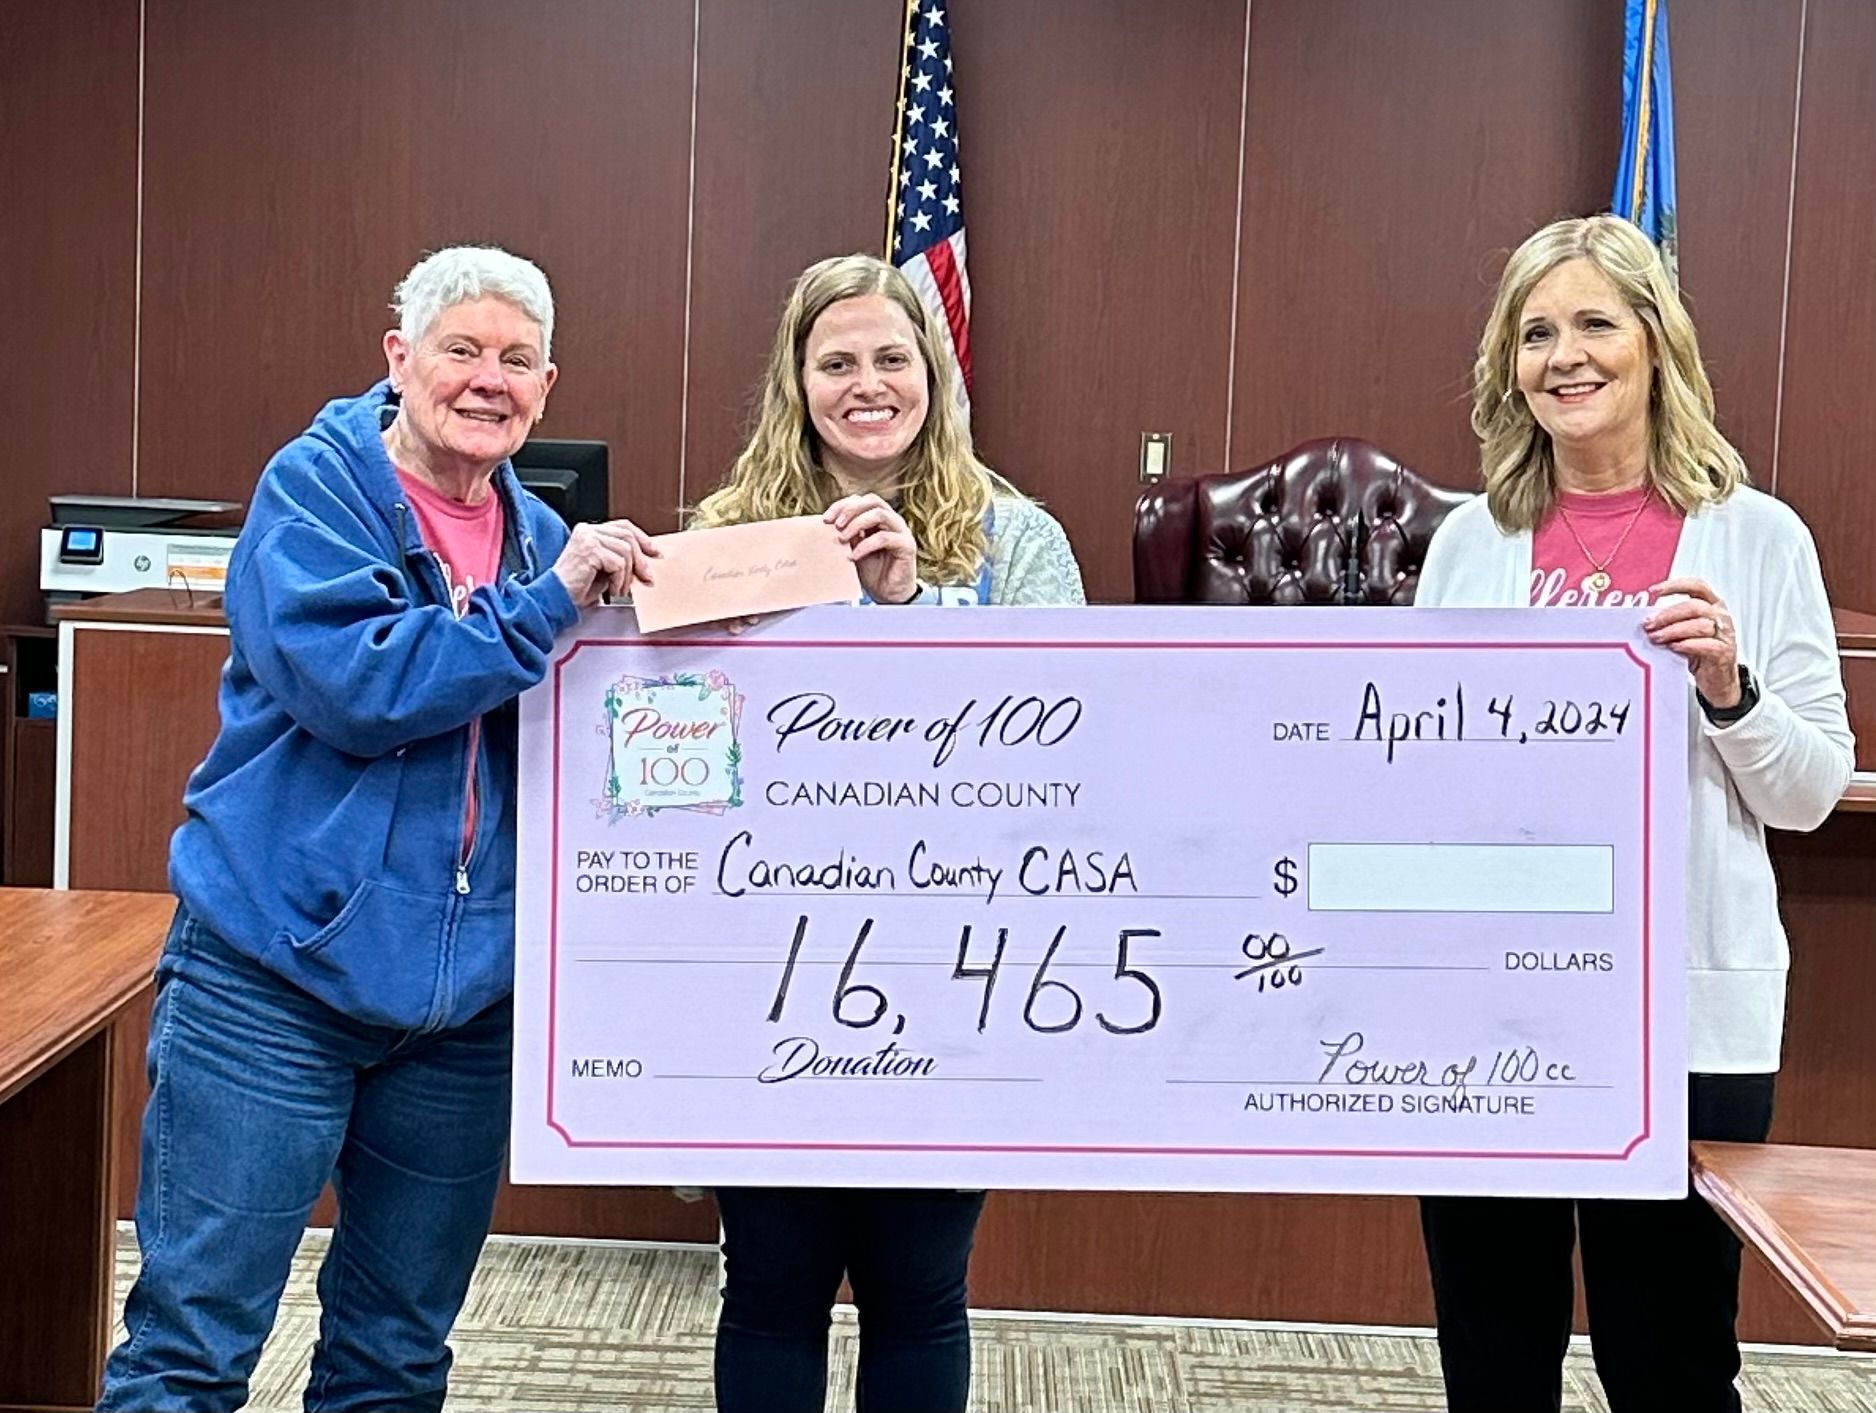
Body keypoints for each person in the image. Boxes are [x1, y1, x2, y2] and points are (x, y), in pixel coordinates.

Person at [98, 245, 658, 1412]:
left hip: (457, 1021)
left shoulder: (545, 543)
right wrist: (549, 608)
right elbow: (360, 688)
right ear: (400, 359)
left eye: (515, 360)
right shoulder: (313, 492)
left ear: (547, 388)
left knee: (395, 1361)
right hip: (270, 987)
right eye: (461, 349)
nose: (487, 379)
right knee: (192, 1350)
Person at [1413, 214, 1855, 1412]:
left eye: (1594, 323)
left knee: (1668, 1363)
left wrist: (1729, 690)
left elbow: (1810, 791)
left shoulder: (1756, 539)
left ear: (1656, 345)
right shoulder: (1468, 544)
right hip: (1485, 1012)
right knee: (1491, 1356)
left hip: (1678, 1024)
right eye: (1534, 331)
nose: (1565, 355)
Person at [689, 252, 1085, 1413]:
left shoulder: (1018, 540)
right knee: (768, 1285)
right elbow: (675, 748)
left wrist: (904, 613)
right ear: (795, 380)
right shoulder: (730, 531)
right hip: (766, 962)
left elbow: (1065, 754)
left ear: (934, 374)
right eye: (836, 361)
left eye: (891, 358)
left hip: (953, 972)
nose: (866, 384)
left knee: (919, 1291)